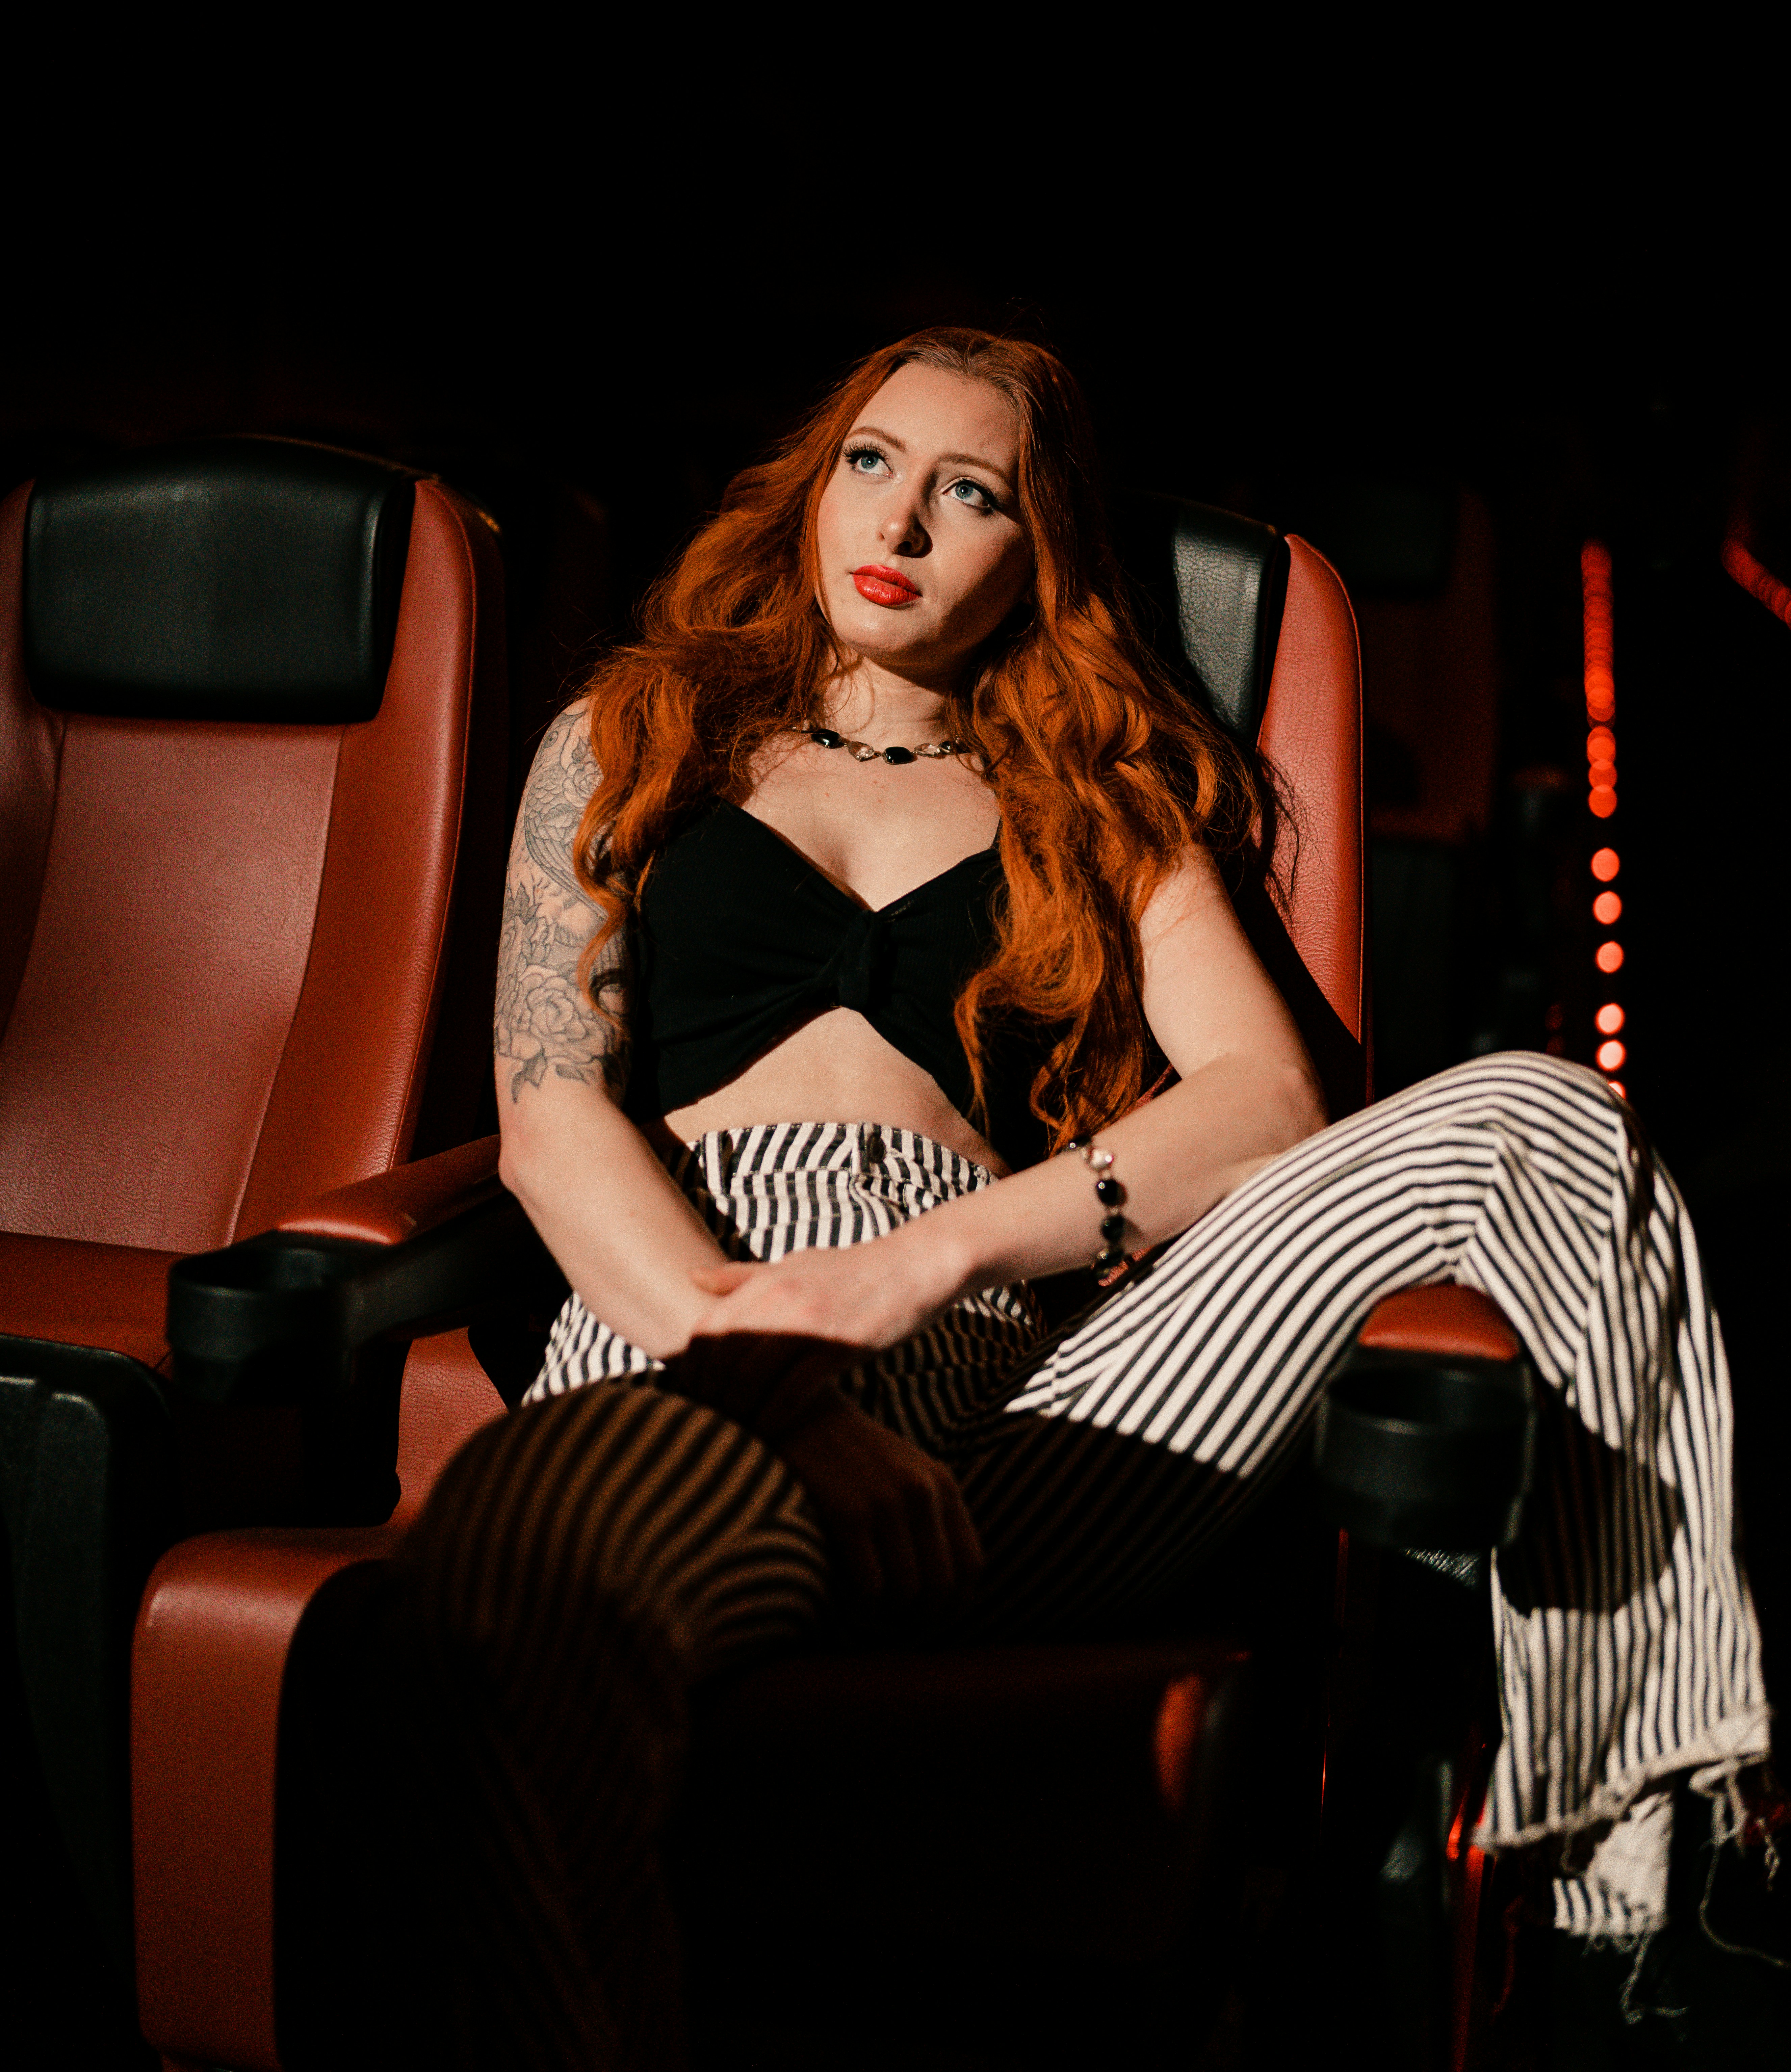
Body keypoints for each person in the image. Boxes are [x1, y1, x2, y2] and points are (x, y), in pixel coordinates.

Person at [364, 329, 1769, 2066]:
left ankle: (1643, 1891)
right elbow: (552, 1123)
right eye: (873, 462)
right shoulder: (635, 729)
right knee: (495, 1583)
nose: (906, 519)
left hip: (1015, 1401)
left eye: (977, 493)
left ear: (1043, 553)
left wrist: (929, 1258)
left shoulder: (1097, 794)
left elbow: (1268, 1105)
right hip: (690, 1333)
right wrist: (791, 1369)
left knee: (1546, 1121)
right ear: (814, 484)